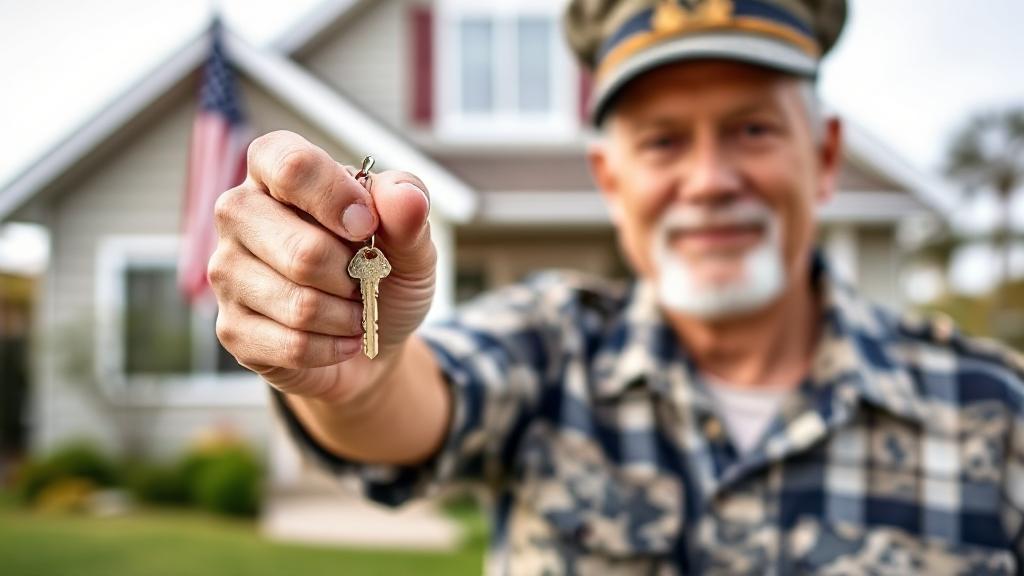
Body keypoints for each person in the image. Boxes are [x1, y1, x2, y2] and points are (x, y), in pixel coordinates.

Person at [208, 0, 1024, 573]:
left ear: (827, 155)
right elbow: (409, 405)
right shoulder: (550, 347)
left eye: (752, 129)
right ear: (610, 177)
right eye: (664, 141)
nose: (709, 180)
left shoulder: (993, 415)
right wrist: (357, 367)